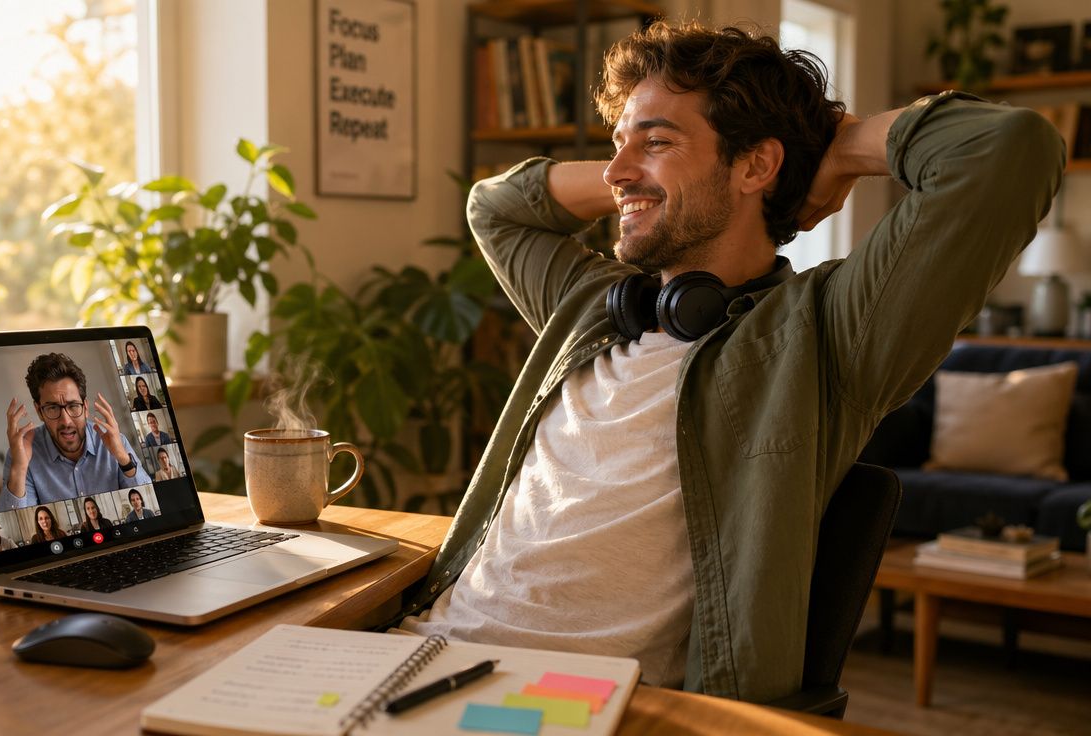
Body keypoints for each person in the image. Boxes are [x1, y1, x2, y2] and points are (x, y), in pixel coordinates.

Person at [398, 21, 1064, 705]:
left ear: (755, 166)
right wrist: (641, 177)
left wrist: (834, 149)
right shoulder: (596, 305)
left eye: (657, 140)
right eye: (616, 143)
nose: (616, 169)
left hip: (562, 700)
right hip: (419, 651)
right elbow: (496, 208)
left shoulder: (825, 333)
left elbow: (1010, 148)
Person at [0, 352, 151, 512]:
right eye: (52, 408)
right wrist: (20, 469)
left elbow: (150, 505)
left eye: (73, 406)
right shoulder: (22, 454)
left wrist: (124, 460)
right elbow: (16, 528)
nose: (66, 421)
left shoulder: (115, 441)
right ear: (39, 411)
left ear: (85, 407)